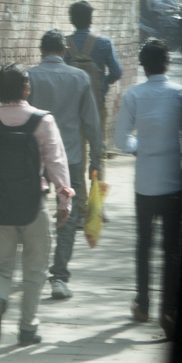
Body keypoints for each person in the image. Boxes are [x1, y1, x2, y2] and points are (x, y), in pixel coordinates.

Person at [0, 63, 73, 348]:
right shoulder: (43, 121)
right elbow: (57, 162)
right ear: (27, 88)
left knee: (0, 266)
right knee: (35, 269)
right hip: (32, 206)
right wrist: (65, 201)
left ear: (0, 89)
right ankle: (27, 327)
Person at [114, 38, 182, 340]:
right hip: (173, 182)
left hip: (145, 184)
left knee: (143, 245)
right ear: (167, 63)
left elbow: (122, 140)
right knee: (171, 250)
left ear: (143, 66)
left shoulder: (133, 96)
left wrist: (140, 148)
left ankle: (143, 304)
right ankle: (169, 310)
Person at [27, 30, 104, 300]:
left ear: (41, 50)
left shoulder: (29, 77)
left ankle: (32, 271)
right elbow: (91, 122)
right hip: (69, 158)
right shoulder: (80, 78)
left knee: (33, 213)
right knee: (68, 217)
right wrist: (97, 156)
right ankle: (59, 277)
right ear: (64, 51)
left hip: (34, 159)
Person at [65, 0, 122, 221]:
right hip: (97, 107)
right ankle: (96, 209)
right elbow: (117, 71)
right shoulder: (103, 43)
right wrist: (103, 83)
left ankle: (78, 208)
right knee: (98, 155)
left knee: (76, 156)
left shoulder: (65, 45)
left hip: (72, 110)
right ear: (91, 19)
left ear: (72, 20)